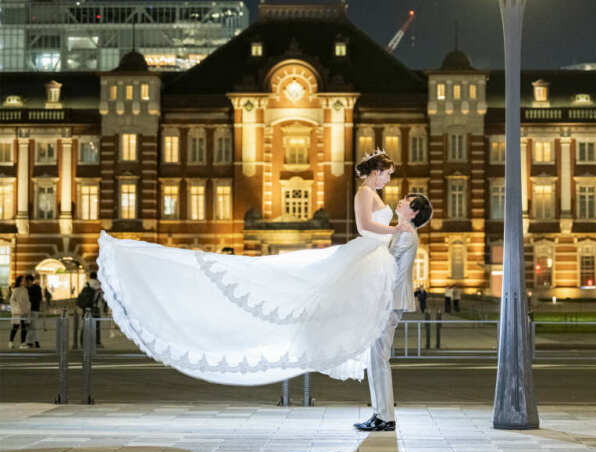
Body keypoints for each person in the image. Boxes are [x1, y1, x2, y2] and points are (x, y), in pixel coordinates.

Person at [96, 149, 413, 385]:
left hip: (372, 260)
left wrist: (396, 230)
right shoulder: (364, 192)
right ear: (376, 172)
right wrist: (395, 229)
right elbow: (363, 226)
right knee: (304, 283)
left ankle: (372, 393)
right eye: (387, 173)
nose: (389, 178)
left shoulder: (373, 193)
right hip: (365, 254)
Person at [355, 193, 433, 432]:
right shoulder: (402, 230)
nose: (401, 200)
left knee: (379, 357)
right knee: (376, 357)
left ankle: (385, 416)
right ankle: (380, 413)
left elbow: (385, 263)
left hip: (390, 300)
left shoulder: (405, 233)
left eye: (407, 201)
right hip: (389, 299)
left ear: (414, 212)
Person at [77, 273, 104, 347]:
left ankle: (82, 342)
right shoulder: (98, 284)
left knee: (85, 325)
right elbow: (101, 296)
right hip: (95, 307)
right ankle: (97, 342)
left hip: (86, 308)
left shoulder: (86, 283)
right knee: (96, 325)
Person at [8, 276, 31, 349]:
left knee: (24, 327)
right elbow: (12, 300)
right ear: (20, 282)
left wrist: (28, 308)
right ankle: (11, 342)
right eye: (23, 280)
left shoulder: (25, 290)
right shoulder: (16, 290)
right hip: (18, 312)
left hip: (24, 312)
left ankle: (23, 343)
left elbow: (27, 301)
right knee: (15, 327)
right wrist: (17, 307)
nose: (25, 282)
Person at [25, 275, 42, 348]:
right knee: (30, 326)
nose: (27, 283)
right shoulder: (26, 288)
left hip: (34, 309)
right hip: (28, 310)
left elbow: (39, 298)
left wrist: (30, 298)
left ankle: (34, 341)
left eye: (27, 281)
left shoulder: (36, 287)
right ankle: (31, 341)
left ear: (30, 281)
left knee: (33, 326)